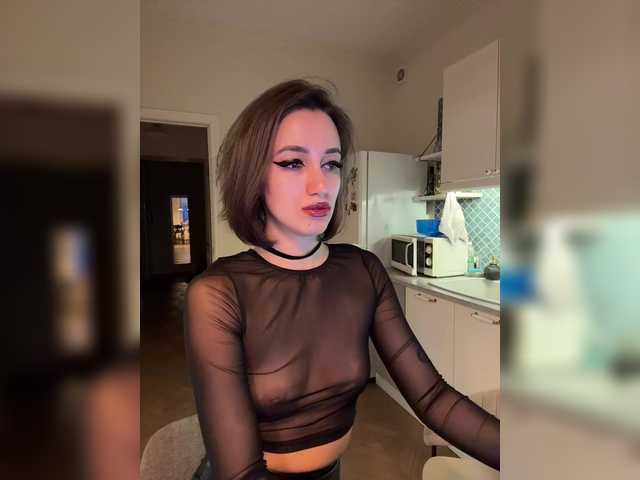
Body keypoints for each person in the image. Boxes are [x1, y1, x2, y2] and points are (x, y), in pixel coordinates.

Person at [183, 79, 499, 480]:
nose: (321, 185)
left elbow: (434, 398)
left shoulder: (363, 271)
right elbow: (240, 473)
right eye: (293, 162)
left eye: (331, 164)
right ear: (253, 175)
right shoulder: (218, 293)